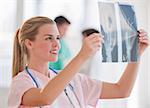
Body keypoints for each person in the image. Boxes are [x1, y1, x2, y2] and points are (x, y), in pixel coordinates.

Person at [8, 16, 149, 108]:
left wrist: (136, 55)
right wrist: (82, 56)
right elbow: (45, 97)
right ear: (29, 43)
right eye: (48, 38)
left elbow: (121, 90)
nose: (57, 44)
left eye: (57, 38)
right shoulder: (21, 82)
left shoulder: (74, 80)